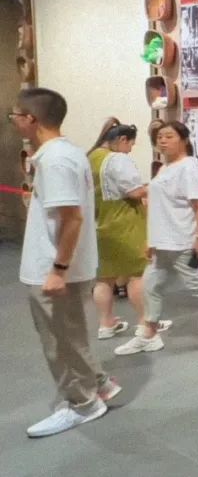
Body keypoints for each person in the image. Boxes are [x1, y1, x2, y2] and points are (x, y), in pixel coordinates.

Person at [11, 88, 120, 438]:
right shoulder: (64, 153)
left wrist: (58, 270)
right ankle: (99, 384)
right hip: (65, 265)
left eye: (15, 115)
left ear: (31, 119)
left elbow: (72, 219)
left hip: (56, 267)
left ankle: (83, 403)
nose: (13, 121)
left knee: (59, 341)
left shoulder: (56, 160)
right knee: (70, 334)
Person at [113, 121, 198, 355]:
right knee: (151, 285)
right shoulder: (164, 168)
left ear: (183, 140)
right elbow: (159, 206)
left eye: (169, 136)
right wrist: (151, 240)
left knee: (197, 284)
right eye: (160, 137)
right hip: (162, 243)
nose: (163, 140)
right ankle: (149, 334)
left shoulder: (188, 167)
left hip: (181, 240)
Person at [86, 119, 153, 340]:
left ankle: (106, 324)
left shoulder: (91, 157)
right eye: (130, 144)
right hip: (125, 222)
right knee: (137, 274)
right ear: (122, 139)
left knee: (105, 277)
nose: (130, 149)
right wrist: (153, 187)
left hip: (100, 223)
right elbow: (134, 192)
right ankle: (145, 322)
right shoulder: (117, 159)